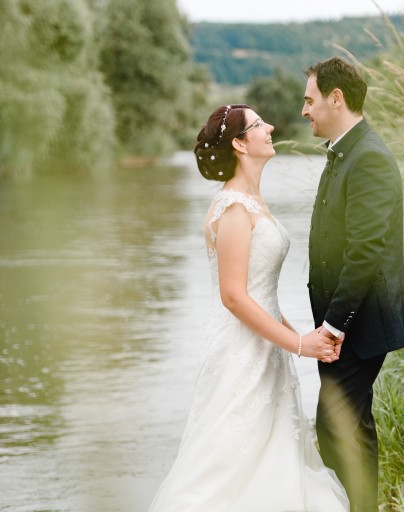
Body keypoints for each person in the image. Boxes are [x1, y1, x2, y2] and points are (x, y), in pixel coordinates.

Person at [148, 104, 349, 512]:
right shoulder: (234, 208)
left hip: (267, 347)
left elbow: (262, 295)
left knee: (271, 454)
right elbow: (234, 296)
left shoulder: (253, 201)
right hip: (241, 352)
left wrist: (305, 338)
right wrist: (297, 343)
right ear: (240, 143)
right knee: (230, 461)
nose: (271, 127)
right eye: (259, 125)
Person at [302, 57, 404, 512]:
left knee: (334, 427)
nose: (304, 110)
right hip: (344, 320)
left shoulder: (369, 156)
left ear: (337, 98)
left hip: (356, 321)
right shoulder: (346, 150)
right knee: (354, 423)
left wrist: (333, 325)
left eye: (310, 100)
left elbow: (365, 251)